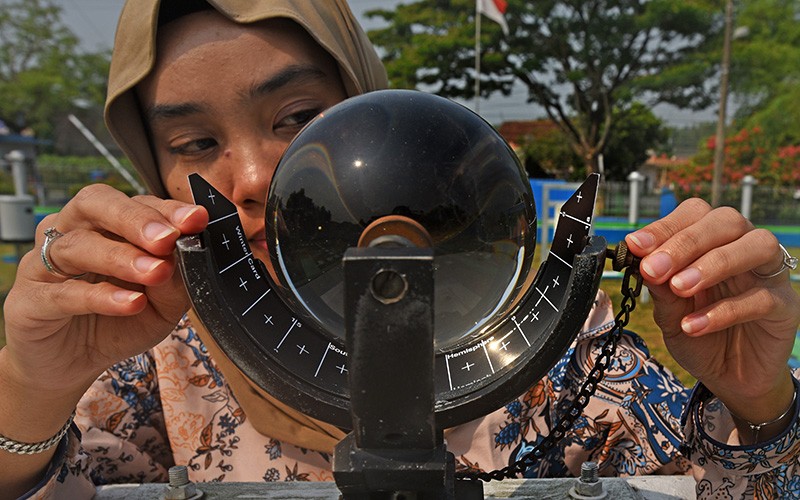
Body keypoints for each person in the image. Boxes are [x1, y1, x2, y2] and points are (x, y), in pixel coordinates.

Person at [0, 1, 797, 498]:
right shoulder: (147, 366)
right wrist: (32, 390)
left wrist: (758, 405)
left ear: (380, 113)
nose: (253, 178)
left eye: (296, 118)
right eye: (195, 143)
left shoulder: (560, 349)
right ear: (154, 169)